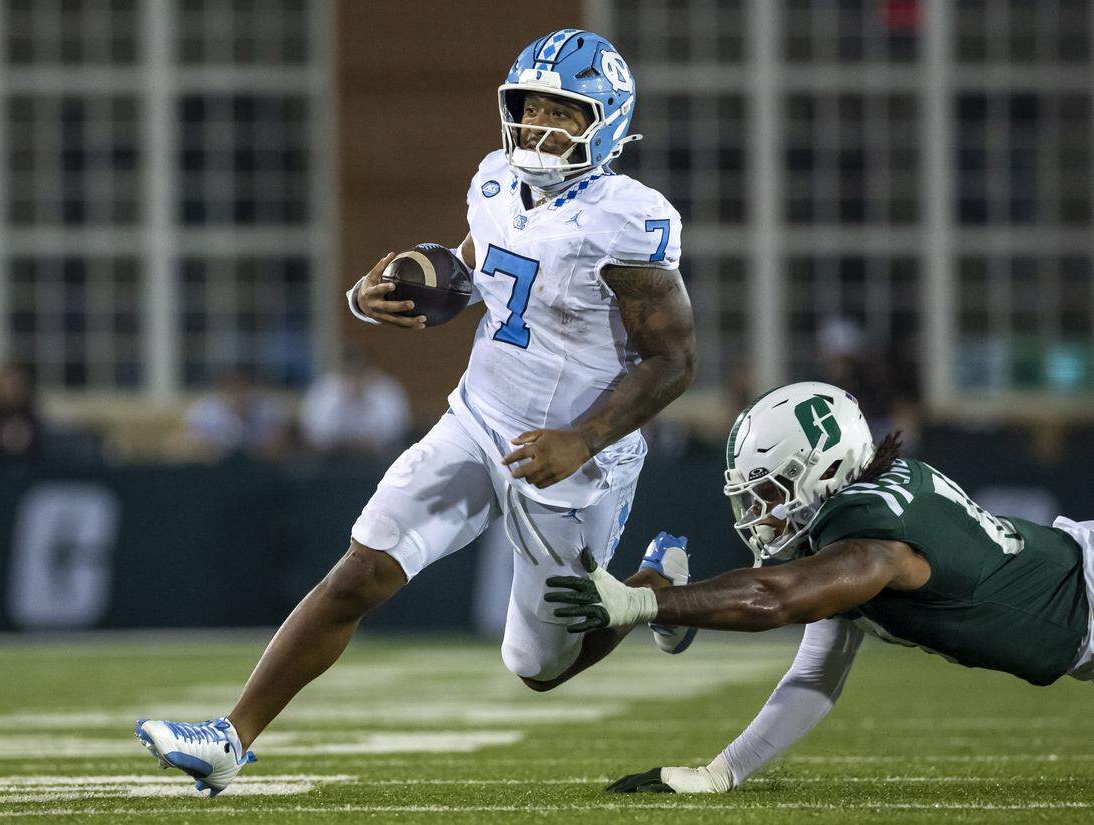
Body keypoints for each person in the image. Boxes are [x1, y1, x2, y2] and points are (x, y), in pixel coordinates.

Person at [135, 29, 696, 796]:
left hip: (576, 456)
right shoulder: (497, 178)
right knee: (361, 570)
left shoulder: (627, 218)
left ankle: (654, 591)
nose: (538, 128)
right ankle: (232, 736)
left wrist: (582, 436)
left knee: (538, 667)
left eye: (562, 114)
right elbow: (475, 277)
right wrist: (375, 297)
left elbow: (674, 361)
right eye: (529, 109)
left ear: (605, 122)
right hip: (477, 417)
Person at [545, 381, 1094, 794]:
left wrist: (643, 601)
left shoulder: (875, 538)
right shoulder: (851, 525)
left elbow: (775, 598)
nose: (759, 516)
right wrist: (720, 773)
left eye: (770, 492)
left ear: (822, 470)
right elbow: (816, 671)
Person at [298, 344, 410, 456]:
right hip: (332, 455)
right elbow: (314, 429)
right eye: (350, 367)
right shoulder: (326, 386)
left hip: (375, 455)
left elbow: (395, 428)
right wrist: (344, 398)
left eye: (360, 367)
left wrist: (365, 399)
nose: (355, 373)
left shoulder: (385, 387)